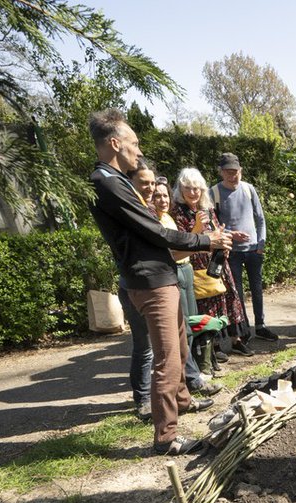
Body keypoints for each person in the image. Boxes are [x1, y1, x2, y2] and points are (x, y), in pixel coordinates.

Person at [87, 109, 229, 456]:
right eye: (134, 143)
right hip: (150, 282)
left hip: (161, 277)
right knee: (167, 359)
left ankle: (182, 400)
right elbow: (155, 231)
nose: (139, 151)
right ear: (115, 143)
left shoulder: (116, 179)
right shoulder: (106, 182)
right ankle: (166, 437)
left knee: (180, 347)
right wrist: (205, 241)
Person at [170, 167, 253, 359]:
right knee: (207, 305)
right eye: (188, 188)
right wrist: (198, 228)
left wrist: (224, 238)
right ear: (181, 189)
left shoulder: (206, 208)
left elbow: (215, 230)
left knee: (229, 299)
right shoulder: (178, 212)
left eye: (197, 188)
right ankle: (213, 347)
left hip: (217, 262)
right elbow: (182, 242)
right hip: (197, 265)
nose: (193, 192)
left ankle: (236, 340)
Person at [152, 177, 221, 395]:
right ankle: (187, 379)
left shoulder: (168, 218)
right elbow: (176, 251)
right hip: (174, 272)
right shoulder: (156, 222)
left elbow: (187, 243)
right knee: (183, 329)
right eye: (157, 196)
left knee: (190, 326)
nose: (162, 200)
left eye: (164, 195)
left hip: (186, 269)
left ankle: (192, 376)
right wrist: (203, 238)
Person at [210, 152, 277, 342]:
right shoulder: (213, 192)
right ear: (221, 172)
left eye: (236, 172)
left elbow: (260, 218)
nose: (233, 176)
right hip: (231, 252)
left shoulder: (249, 189)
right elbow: (212, 225)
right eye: (228, 172)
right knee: (237, 293)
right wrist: (232, 234)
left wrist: (261, 243)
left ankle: (261, 326)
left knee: (257, 289)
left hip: (254, 250)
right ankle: (244, 329)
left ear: (241, 171)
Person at [121, 161, 155, 420]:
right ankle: (143, 400)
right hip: (135, 286)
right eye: (144, 182)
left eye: (152, 183)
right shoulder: (128, 212)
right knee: (144, 345)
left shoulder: (149, 210)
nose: (150, 188)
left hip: (157, 285)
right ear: (130, 184)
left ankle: (181, 391)